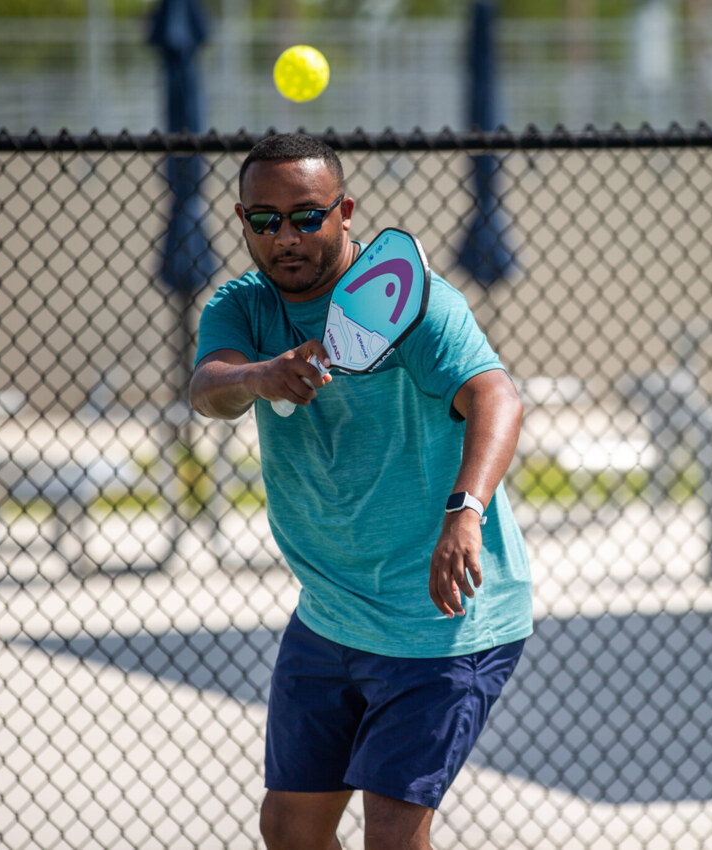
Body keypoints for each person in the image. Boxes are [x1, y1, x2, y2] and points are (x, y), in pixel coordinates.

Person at [189, 133, 533, 850]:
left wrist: (465, 513)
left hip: (440, 623)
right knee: (289, 830)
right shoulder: (243, 306)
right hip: (329, 615)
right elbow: (207, 389)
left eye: (307, 216)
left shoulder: (416, 305)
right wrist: (260, 376)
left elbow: (497, 397)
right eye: (264, 219)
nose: (285, 235)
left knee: (393, 835)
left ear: (345, 213)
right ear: (243, 220)